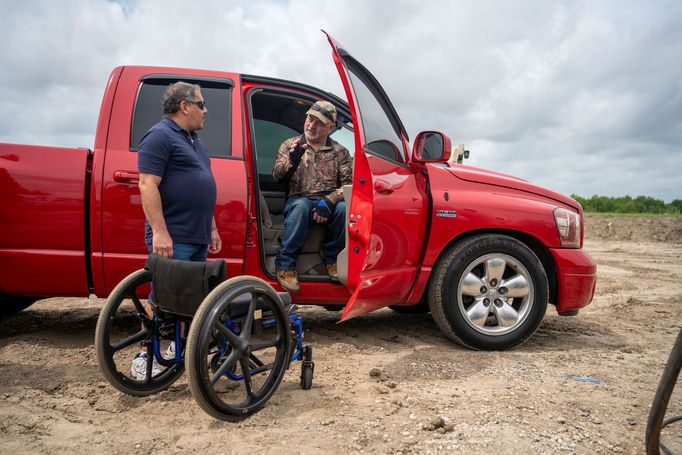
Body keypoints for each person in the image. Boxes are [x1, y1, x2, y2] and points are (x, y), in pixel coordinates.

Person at [132, 81, 222, 379]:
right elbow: (147, 184)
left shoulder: (193, 140)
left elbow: (203, 185)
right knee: (162, 297)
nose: (205, 110)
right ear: (185, 106)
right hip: (174, 234)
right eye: (201, 103)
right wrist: (160, 232)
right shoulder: (159, 136)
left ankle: (175, 349)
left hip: (196, 233)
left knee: (188, 297)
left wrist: (211, 226)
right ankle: (145, 354)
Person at [272, 100, 352, 293]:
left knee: (344, 210)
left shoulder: (340, 152)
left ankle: (333, 260)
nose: (311, 125)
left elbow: (349, 185)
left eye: (319, 122)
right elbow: (277, 177)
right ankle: (286, 265)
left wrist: (330, 201)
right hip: (299, 200)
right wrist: (292, 160)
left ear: (331, 127)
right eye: (310, 119)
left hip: (328, 203)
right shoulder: (290, 145)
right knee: (300, 207)